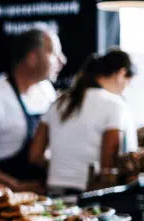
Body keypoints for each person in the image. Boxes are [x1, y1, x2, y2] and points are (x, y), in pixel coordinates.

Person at [0, 26, 66, 193]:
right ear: (32, 58)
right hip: (2, 201)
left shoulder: (46, 90)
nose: (62, 60)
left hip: (42, 197)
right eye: (54, 53)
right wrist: (14, 186)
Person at [29, 49, 138, 195]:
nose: (126, 89)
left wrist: (63, 169)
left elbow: (35, 155)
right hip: (89, 196)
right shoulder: (115, 105)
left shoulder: (59, 102)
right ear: (121, 74)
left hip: (54, 192)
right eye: (128, 83)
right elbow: (108, 167)